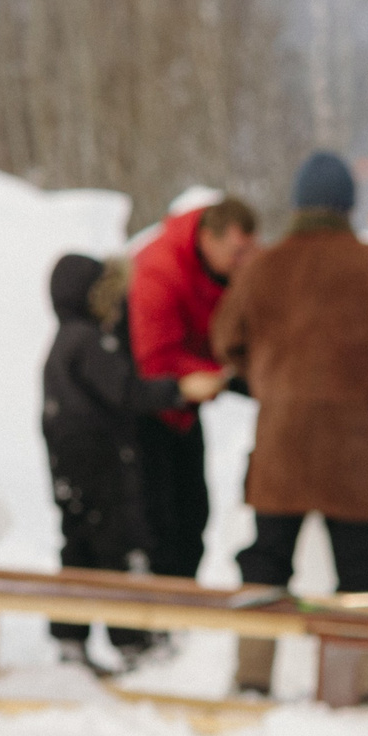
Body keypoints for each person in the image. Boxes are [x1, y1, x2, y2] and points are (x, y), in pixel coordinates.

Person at [213, 152, 368, 701]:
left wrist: (266, 375)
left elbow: (225, 339)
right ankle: (356, 686)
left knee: (265, 560)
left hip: (281, 443)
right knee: (358, 567)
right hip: (353, 449)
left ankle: (251, 679)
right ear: (346, 205)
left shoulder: (263, 268)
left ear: (298, 204)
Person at [43, 254, 227, 671]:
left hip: (71, 468)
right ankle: (132, 642)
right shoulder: (90, 341)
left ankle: (70, 639)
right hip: (100, 467)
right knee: (117, 549)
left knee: (79, 546)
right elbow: (127, 389)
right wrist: (180, 390)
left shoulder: (62, 342)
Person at [127, 194, 259, 583]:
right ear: (208, 239)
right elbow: (155, 359)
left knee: (194, 515)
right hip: (150, 409)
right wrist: (222, 373)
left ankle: (180, 609)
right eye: (237, 253)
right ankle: (155, 619)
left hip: (187, 408)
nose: (244, 263)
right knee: (159, 522)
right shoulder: (159, 270)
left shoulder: (227, 269)